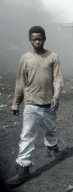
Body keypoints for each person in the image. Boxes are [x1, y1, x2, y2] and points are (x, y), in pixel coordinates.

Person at [7, 26, 64, 186]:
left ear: (45, 39)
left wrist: (56, 96)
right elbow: (20, 81)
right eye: (34, 39)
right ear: (30, 40)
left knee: (51, 128)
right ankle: (23, 168)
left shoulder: (52, 56)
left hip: (49, 103)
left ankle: (52, 147)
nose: (37, 41)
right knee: (27, 135)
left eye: (40, 38)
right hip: (31, 103)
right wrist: (16, 103)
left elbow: (58, 79)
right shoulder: (25, 58)